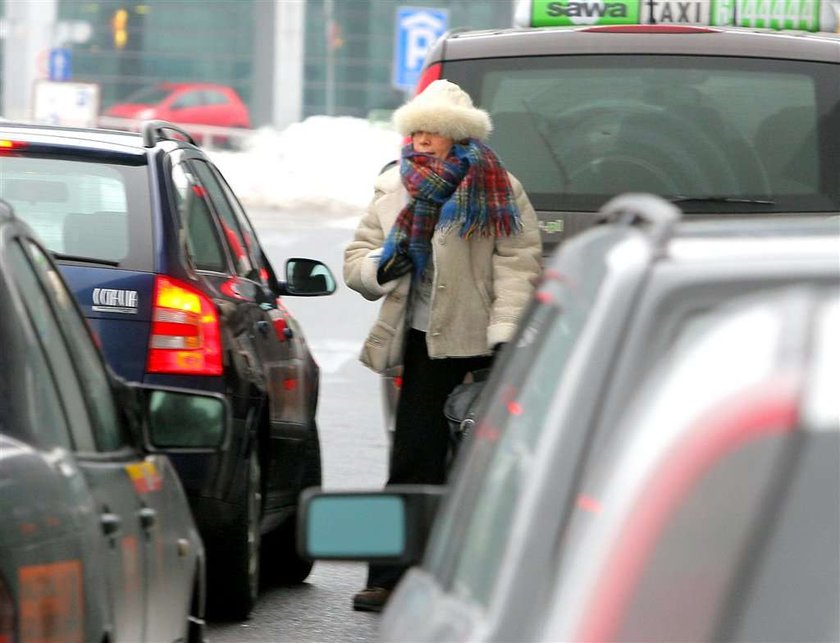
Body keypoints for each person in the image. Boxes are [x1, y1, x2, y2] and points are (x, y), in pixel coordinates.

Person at [343, 79, 543, 612]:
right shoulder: (394, 185)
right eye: (416, 131)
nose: (423, 141)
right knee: (412, 460)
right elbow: (357, 257)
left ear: (457, 137)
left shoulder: (497, 185)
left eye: (433, 132)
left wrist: (505, 338)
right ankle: (388, 577)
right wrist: (383, 266)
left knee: (480, 466)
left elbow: (518, 264)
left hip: (478, 346)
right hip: (419, 341)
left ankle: (479, 579)